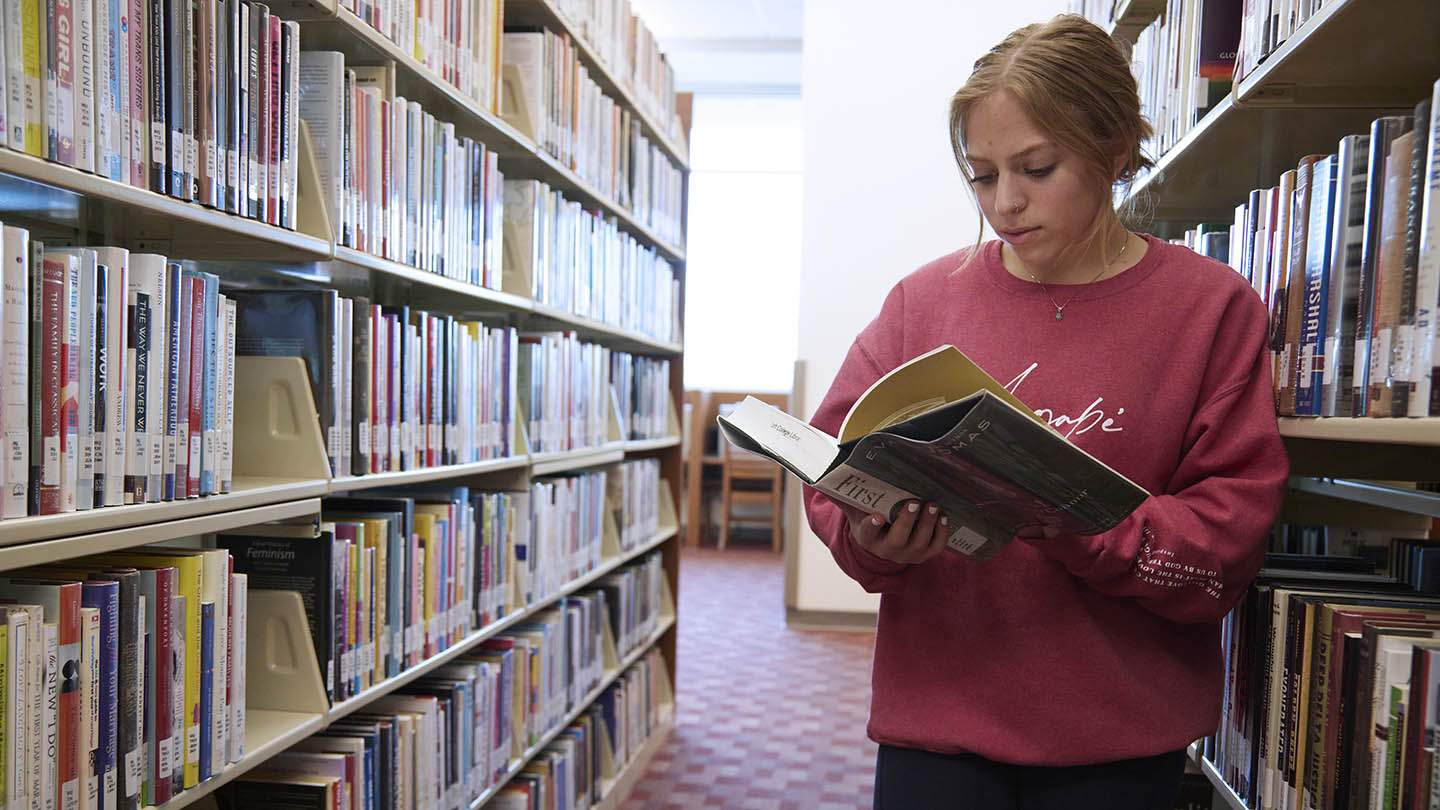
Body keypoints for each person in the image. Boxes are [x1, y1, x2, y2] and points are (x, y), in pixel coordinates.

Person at [801, 13, 1289, 809]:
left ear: (1114, 150)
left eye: (1037, 167)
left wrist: (1085, 526)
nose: (1006, 203)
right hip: (938, 718)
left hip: (1118, 736)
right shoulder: (922, 300)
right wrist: (870, 532)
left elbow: (1226, 541)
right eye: (984, 176)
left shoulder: (1210, 309)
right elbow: (831, 464)